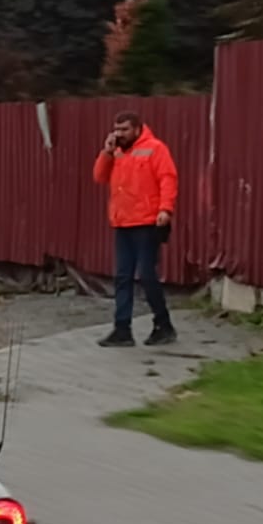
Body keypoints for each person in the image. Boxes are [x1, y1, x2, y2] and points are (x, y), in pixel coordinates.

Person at [93, 110, 177, 347]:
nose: (120, 134)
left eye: (125, 130)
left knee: (147, 275)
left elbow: (168, 178)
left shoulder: (155, 148)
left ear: (137, 129)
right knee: (122, 277)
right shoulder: (116, 152)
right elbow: (99, 177)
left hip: (147, 222)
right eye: (117, 129)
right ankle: (122, 329)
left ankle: (163, 324)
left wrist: (165, 209)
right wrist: (106, 152)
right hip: (122, 222)